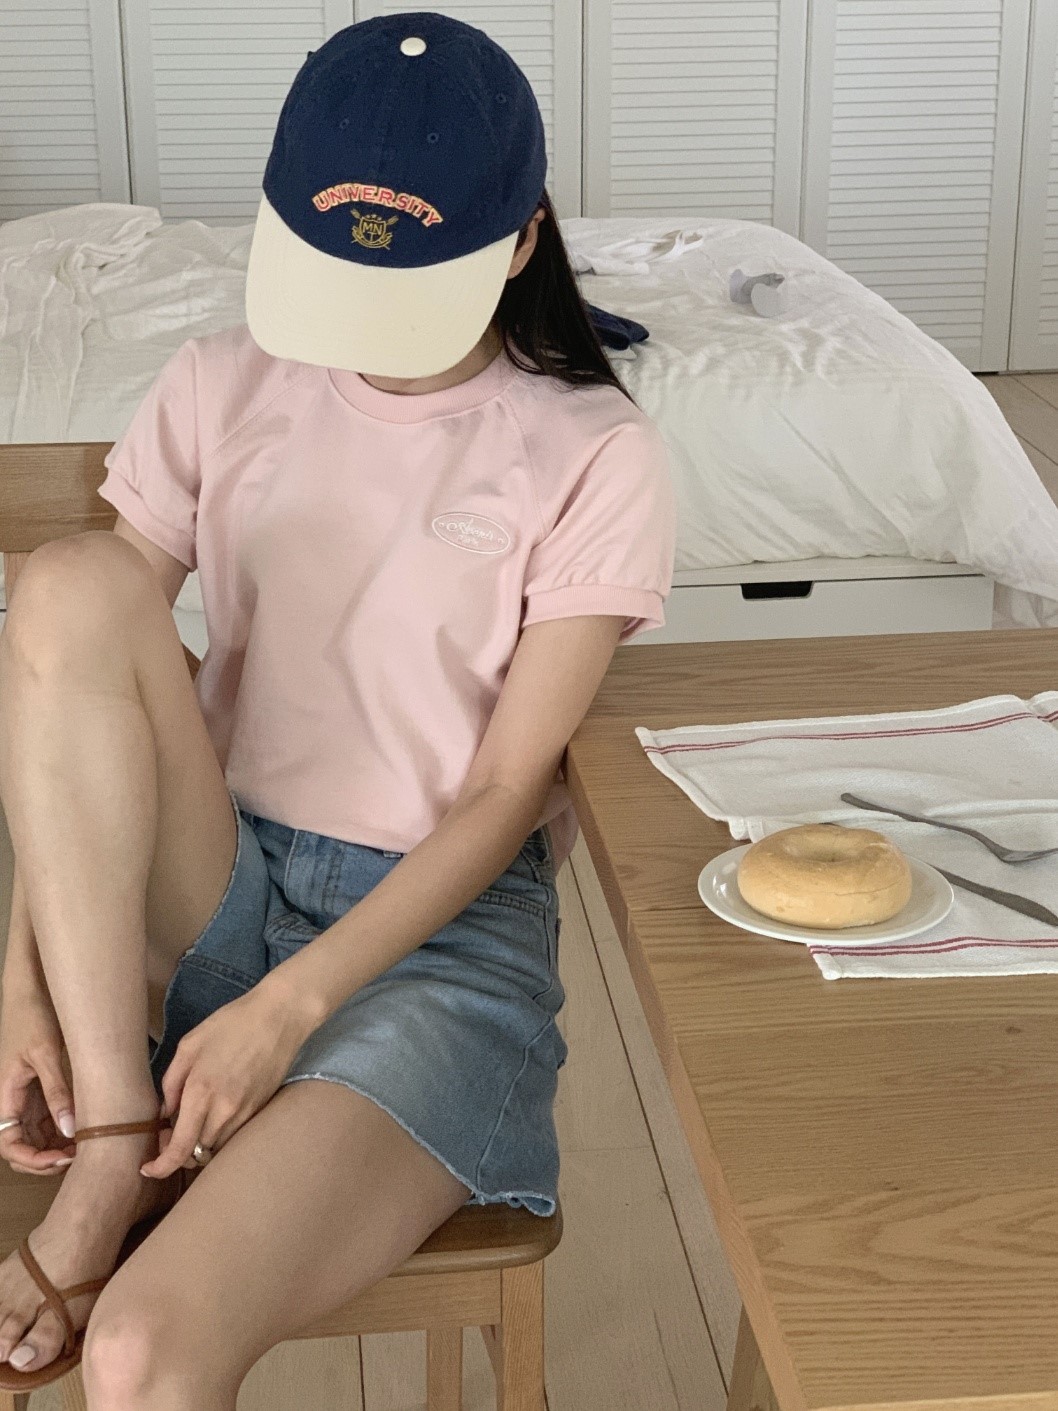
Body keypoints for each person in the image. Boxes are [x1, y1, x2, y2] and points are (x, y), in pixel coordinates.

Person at [0, 10, 675, 1403]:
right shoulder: (220, 381)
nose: (364, 337)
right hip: (216, 875)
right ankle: (116, 1141)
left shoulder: (592, 453)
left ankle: (174, 1123)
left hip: (433, 945)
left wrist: (286, 1008)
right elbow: (71, 686)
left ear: (522, 243)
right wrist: (26, 975)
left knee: (137, 1352)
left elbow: (504, 793)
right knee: (67, 582)